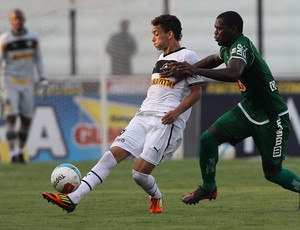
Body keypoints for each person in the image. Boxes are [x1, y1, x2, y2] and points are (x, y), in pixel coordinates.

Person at [42, 14, 204, 214]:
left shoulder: (188, 56)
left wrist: (176, 112)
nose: (153, 38)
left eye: (156, 34)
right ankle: (73, 198)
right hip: (143, 116)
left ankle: (156, 196)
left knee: (139, 175)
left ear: (169, 34)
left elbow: (197, 92)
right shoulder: (161, 58)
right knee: (110, 156)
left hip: (165, 122)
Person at [161, 11, 300, 206]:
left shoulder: (241, 47)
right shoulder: (229, 47)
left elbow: (234, 72)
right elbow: (213, 59)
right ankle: (209, 187)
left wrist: (195, 71)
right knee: (208, 140)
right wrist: (186, 70)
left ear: (233, 29)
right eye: (215, 29)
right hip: (247, 110)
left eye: (219, 29)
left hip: (271, 117)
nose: (215, 33)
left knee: (273, 173)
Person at [0, 9, 47, 163]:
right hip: (10, 82)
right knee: (11, 116)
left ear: (24, 19)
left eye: (20, 18)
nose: (18, 21)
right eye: (15, 19)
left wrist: (43, 78)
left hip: (27, 82)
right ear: (11, 21)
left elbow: (38, 59)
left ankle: (20, 150)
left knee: (26, 119)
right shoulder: (5, 40)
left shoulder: (33, 38)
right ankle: (13, 152)